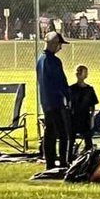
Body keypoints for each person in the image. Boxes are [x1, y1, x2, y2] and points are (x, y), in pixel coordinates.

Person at [36, 30, 71, 170]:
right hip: (56, 101)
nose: (60, 48)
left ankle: (50, 162)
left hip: (46, 101)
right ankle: (63, 161)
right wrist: (68, 97)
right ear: (53, 44)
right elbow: (61, 81)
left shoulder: (40, 60)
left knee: (49, 131)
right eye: (59, 44)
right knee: (63, 133)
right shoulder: (54, 61)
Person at [67, 65, 99, 161]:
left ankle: (89, 157)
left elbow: (92, 106)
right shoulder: (71, 89)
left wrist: (92, 118)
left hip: (85, 119)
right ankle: (69, 157)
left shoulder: (89, 90)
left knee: (87, 137)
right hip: (74, 118)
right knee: (71, 139)